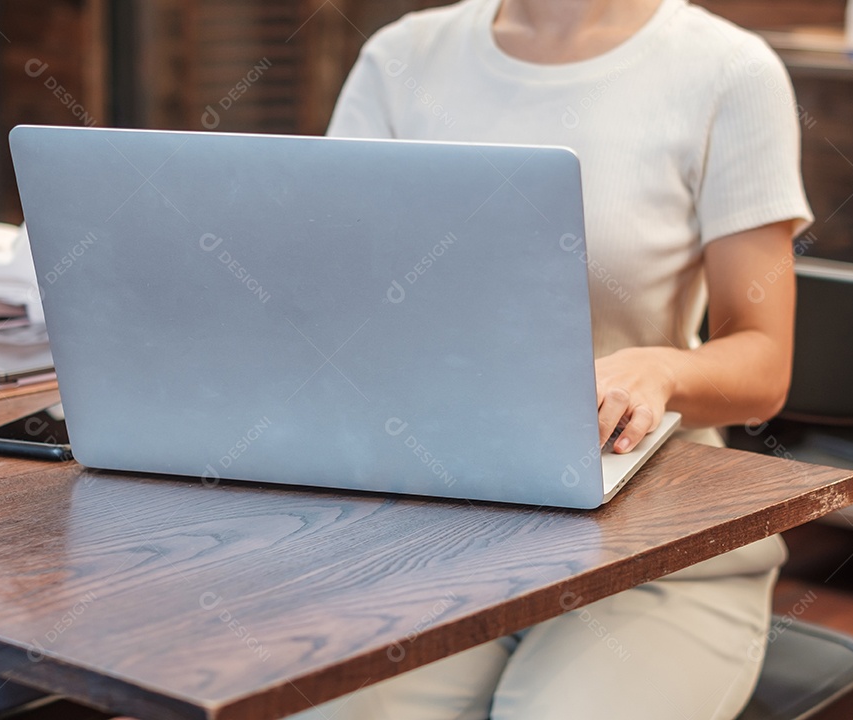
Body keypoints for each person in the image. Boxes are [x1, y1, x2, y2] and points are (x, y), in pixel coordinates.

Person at [285, 0, 813, 718]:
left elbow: (763, 361)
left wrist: (660, 369)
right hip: (431, 529)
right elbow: (334, 298)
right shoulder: (401, 55)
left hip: (651, 538)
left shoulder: (728, 70)